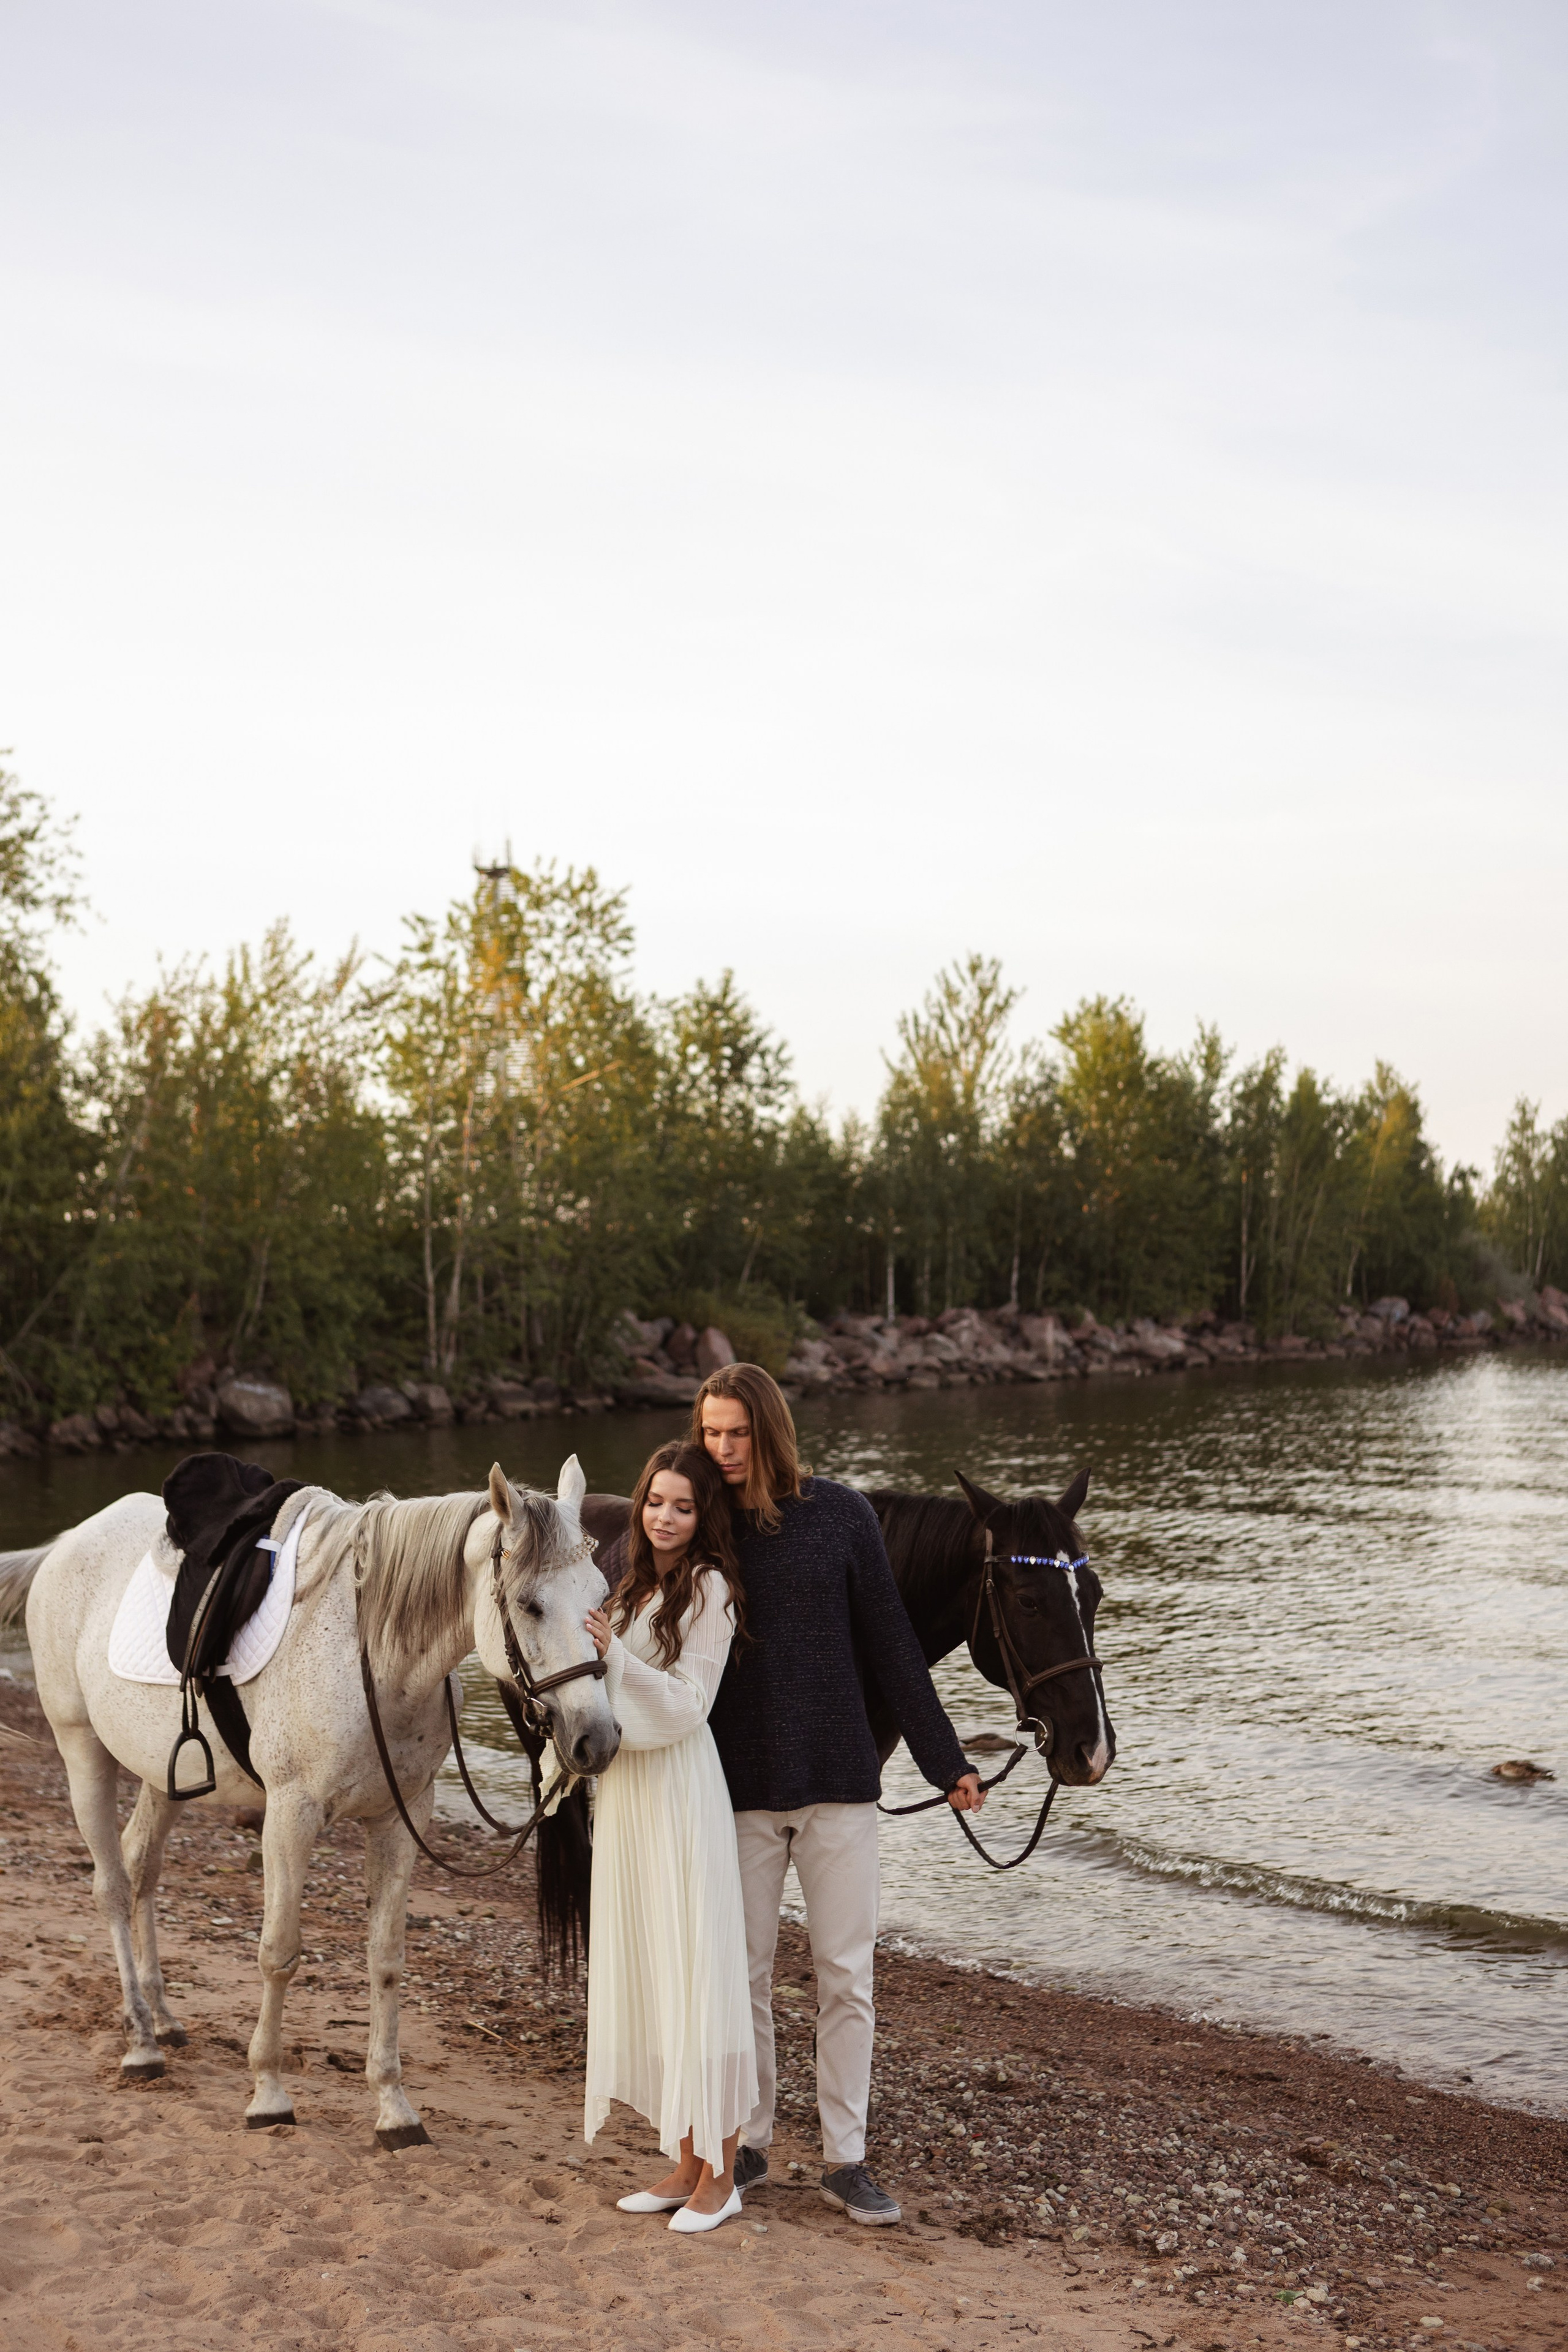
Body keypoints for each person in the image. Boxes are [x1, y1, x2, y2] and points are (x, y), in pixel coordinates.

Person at [692, 1362, 984, 2226]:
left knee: (845, 1978)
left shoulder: (843, 1516)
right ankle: (747, 2146)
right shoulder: (702, 1524)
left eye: (736, 1433)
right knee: (741, 1978)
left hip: (840, 1789)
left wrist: (946, 1763)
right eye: (710, 1432)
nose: (722, 1449)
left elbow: (895, 1648)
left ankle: (844, 2160)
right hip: (735, 1790)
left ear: (771, 1430)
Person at [581, 1439, 758, 2234]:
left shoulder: (712, 1590)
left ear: (703, 1515)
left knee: (698, 1975)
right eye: (656, 1501)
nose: (664, 1517)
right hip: (629, 1792)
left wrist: (614, 1655)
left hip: (681, 1791)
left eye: (682, 1506)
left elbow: (689, 1704)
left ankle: (722, 2173)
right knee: (656, 1971)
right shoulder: (633, 1587)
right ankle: (684, 2160)